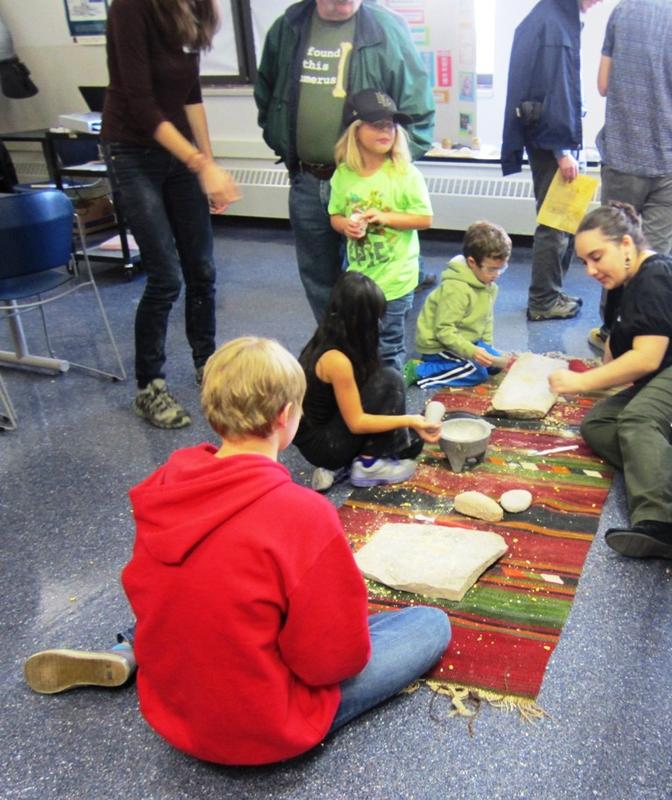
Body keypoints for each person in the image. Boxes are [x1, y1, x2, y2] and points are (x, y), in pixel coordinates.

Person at [23, 337, 451, 765]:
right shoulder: (305, 514)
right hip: (263, 728)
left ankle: (129, 651)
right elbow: (330, 663)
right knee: (429, 625)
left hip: (174, 711)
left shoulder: (168, 482)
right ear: (286, 418)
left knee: (197, 591)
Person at [102, 0, 240, 429]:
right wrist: (203, 165)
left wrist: (207, 165)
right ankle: (150, 387)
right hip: (132, 150)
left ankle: (208, 364)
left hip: (181, 155)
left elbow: (190, 95)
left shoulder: (195, 7)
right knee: (165, 275)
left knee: (202, 268)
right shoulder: (131, 8)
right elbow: (142, 105)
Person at [254, 0, 434, 323]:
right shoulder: (289, 26)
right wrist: (280, 139)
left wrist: (388, 172)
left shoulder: (388, 30)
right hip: (308, 179)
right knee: (319, 279)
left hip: (369, 183)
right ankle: (337, 354)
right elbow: (266, 93)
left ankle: (374, 357)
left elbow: (418, 113)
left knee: (374, 281)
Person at [549, 203, 672, 561]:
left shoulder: (654, 277)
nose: (590, 270)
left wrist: (581, 383)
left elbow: (646, 358)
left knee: (638, 419)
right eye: (585, 261)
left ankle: (659, 524)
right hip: (661, 373)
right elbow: (616, 353)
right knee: (599, 424)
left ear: (626, 245)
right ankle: (657, 474)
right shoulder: (624, 281)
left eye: (597, 257)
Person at [293, 272, 441, 493]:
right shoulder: (336, 360)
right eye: (375, 318)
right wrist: (410, 420)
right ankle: (368, 465)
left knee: (386, 384)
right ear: (361, 320)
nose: (379, 324)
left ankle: (340, 466)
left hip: (325, 430)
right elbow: (356, 422)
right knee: (390, 381)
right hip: (324, 445)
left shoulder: (331, 336)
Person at [501, 0, 603, 322]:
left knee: (564, 220)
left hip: (554, 136)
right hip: (552, 141)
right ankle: (543, 300)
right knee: (555, 224)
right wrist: (563, 151)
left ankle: (552, 292)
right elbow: (554, 88)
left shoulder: (555, 17)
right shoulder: (553, 23)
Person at [588, 0, 672, 353]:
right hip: (668, 159)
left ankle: (612, 334)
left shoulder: (622, 12)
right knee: (650, 255)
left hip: (623, 154)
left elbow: (603, 84)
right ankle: (648, 338)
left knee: (614, 249)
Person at [329, 89, 433, 372]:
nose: (385, 130)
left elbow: (424, 218)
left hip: (397, 279)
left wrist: (385, 217)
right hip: (360, 279)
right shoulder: (343, 174)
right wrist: (346, 226)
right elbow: (335, 216)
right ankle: (365, 400)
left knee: (388, 348)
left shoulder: (405, 173)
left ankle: (391, 407)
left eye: (390, 124)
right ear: (355, 130)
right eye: (376, 124)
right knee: (359, 344)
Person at [407, 221, 511, 390]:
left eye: (501, 268)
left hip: (465, 339)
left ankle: (464, 361)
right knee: (476, 373)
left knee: (496, 364)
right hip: (438, 345)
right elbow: (444, 331)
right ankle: (419, 370)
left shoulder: (489, 285)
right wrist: (472, 352)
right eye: (491, 269)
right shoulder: (456, 289)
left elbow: (487, 320)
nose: (497, 274)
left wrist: (486, 346)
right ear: (472, 262)